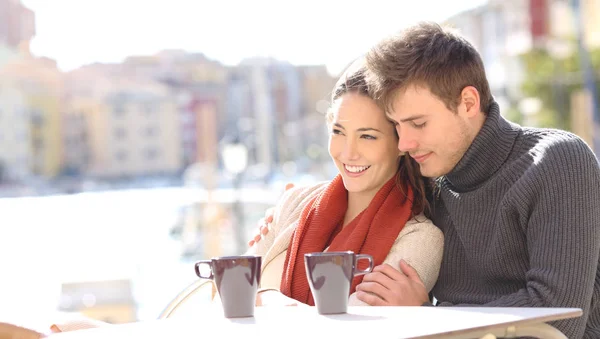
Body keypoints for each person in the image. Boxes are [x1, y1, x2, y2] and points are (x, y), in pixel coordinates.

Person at [252, 21, 600, 338]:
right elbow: (365, 175)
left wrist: (427, 315)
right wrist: (287, 219)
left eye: (418, 124)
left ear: (468, 102)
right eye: (398, 126)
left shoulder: (557, 160)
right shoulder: (429, 186)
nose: (405, 144)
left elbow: (559, 320)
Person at [246, 59, 443, 307]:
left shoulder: (420, 238)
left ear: (400, 143)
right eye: (338, 132)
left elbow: (353, 327)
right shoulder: (294, 202)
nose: (349, 153)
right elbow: (228, 292)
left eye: (368, 136)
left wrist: (267, 298)